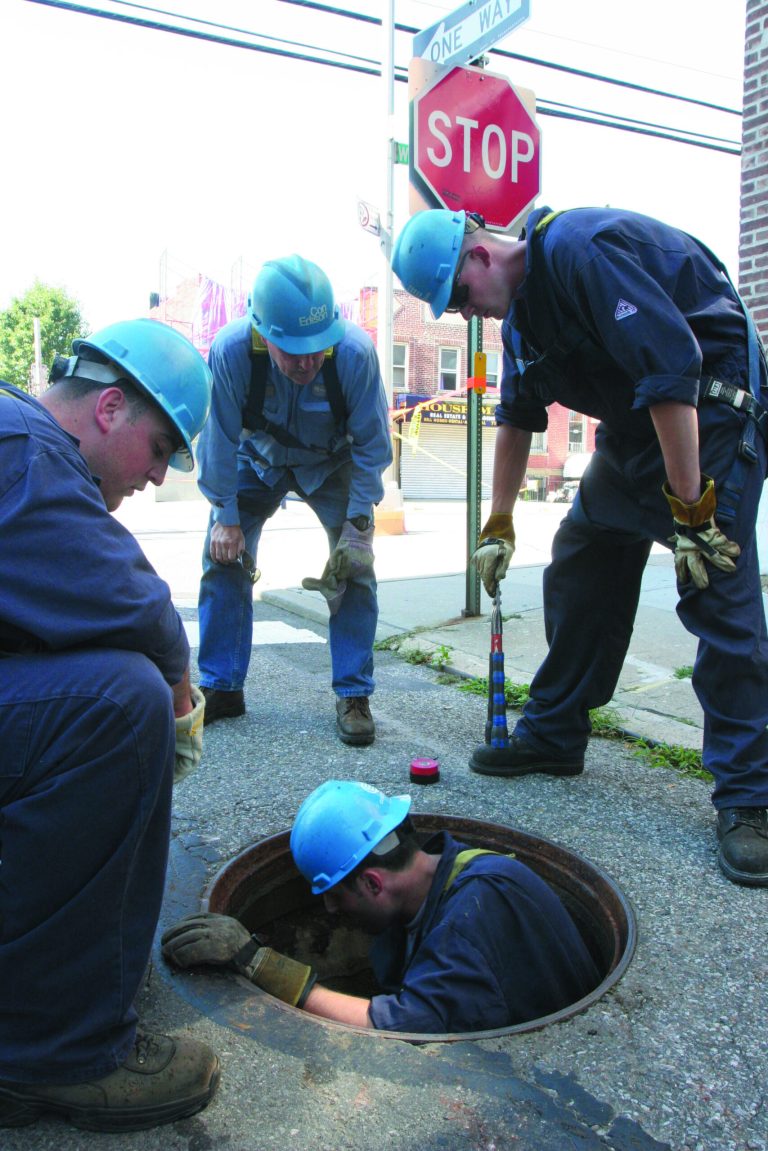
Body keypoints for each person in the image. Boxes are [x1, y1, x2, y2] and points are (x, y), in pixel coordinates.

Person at [391, 205, 768, 889]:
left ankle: (750, 797)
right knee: (583, 554)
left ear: (477, 257)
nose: (469, 314)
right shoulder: (525, 320)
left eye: (462, 298)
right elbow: (516, 417)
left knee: (714, 584)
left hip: (707, 409)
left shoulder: (578, 249)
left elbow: (671, 366)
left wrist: (691, 508)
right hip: (639, 423)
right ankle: (555, 732)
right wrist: (499, 522)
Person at [0, 319, 221, 1132]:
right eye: (160, 447)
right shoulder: (24, 449)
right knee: (121, 705)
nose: (158, 476)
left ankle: (68, 972)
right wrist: (176, 683)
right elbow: (134, 603)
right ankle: (51, 1050)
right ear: (111, 407)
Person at [161, 780, 599, 1033]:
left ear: (372, 881)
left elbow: (395, 1026)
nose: (331, 909)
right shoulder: (458, 869)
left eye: (335, 893)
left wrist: (262, 965)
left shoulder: (467, 921)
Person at [196, 255, 392, 746]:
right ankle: (222, 686)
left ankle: (353, 692)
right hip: (255, 459)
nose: (306, 362)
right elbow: (217, 437)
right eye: (292, 350)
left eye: (317, 349)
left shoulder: (354, 354)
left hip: (331, 462)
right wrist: (225, 515)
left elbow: (372, 446)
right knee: (222, 556)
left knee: (354, 567)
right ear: (264, 335)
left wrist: (359, 526)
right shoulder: (231, 351)